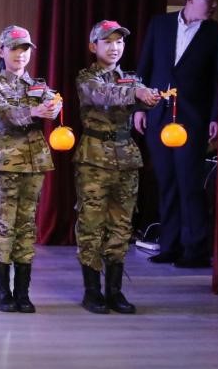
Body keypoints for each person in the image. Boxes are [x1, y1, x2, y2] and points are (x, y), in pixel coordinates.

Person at [134, 0, 218, 268]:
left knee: (190, 184)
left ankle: (195, 250)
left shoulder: (217, 33)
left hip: (193, 119)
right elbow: (144, 67)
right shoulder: (160, 25)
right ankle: (169, 245)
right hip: (158, 116)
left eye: (217, 0)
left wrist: (215, 116)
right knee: (166, 182)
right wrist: (139, 108)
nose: (214, 5)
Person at [75, 20, 161, 314]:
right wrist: (136, 94)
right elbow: (103, 95)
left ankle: (114, 291)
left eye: (120, 42)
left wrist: (151, 97)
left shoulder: (131, 79)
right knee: (91, 225)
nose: (115, 47)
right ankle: (92, 291)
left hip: (126, 158)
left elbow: (142, 98)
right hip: (94, 159)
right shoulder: (87, 77)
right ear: (94, 46)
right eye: (108, 42)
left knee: (121, 226)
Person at [0, 26, 60, 314]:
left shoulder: (38, 86)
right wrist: (34, 112)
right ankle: (2, 291)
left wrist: (54, 107)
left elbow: (54, 102)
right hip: (6, 163)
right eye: (14, 48)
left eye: (25, 49)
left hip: (34, 161)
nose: (20, 54)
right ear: (1, 51)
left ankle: (23, 291)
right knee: (3, 226)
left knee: (26, 227)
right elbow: (3, 114)